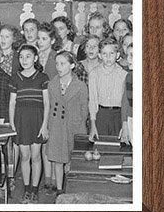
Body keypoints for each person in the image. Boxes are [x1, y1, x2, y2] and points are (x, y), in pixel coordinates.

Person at [9, 44, 50, 203]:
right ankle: (26, 189)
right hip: (21, 121)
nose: (24, 60)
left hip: (37, 120)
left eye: (28, 56)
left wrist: (44, 124)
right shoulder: (15, 78)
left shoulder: (43, 77)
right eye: (21, 57)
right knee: (24, 156)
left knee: (36, 156)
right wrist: (12, 125)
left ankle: (34, 189)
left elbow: (46, 103)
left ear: (35, 58)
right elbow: (12, 104)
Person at [47, 50, 88, 194]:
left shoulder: (80, 85)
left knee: (71, 159)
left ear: (72, 65)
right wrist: (48, 126)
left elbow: (84, 109)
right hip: (56, 125)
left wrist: (80, 125)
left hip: (74, 126)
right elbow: (50, 106)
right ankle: (59, 189)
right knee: (58, 160)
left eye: (63, 64)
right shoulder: (52, 84)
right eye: (57, 63)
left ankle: (70, 189)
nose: (59, 67)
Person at [87, 38, 128, 139]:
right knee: (100, 148)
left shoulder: (123, 74)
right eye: (104, 54)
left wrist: (125, 124)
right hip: (101, 115)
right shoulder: (94, 74)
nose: (108, 57)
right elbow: (93, 100)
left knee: (118, 149)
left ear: (117, 55)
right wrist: (93, 124)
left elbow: (125, 103)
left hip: (118, 116)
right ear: (100, 55)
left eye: (112, 53)